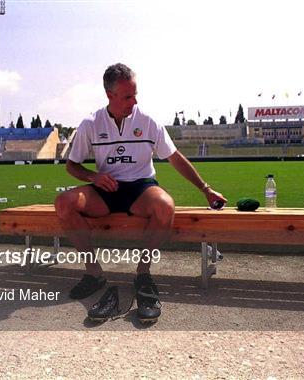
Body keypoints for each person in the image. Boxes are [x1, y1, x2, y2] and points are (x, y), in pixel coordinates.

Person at [55, 63, 227, 323]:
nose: (134, 101)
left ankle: (143, 275)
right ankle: (94, 272)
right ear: (109, 95)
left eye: (135, 94)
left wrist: (205, 188)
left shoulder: (147, 121)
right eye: (127, 96)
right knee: (64, 203)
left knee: (165, 205)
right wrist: (94, 176)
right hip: (106, 188)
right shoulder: (91, 123)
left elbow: (175, 158)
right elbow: (72, 165)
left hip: (140, 188)